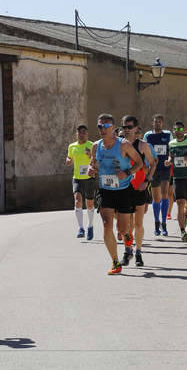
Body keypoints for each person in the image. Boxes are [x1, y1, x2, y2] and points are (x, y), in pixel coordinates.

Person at [88, 113, 144, 275]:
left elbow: (139, 163)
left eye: (106, 126)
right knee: (107, 226)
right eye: (100, 126)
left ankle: (127, 237)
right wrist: (92, 170)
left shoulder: (124, 145)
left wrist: (127, 172)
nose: (102, 129)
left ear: (113, 128)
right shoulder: (96, 146)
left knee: (122, 228)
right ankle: (115, 262)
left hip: (124, 191)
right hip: (106, 190)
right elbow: (93, 164)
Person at [122, 115, 155, 266]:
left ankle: (139, 252)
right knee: (126, 224)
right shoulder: (119, 144)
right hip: (123, 189)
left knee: (138, 223)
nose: (126, 130)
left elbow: (153, 164)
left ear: (136, 129)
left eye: (129, 127)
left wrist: (147, 181)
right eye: (124, 127)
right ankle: (128, 250)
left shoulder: (142, 145)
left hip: (138, 188)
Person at [143, 114, 173, 237]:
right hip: (153, 169)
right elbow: (144, 151)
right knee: (156, 198)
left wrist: (170, 160)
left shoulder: (167, 134)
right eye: (155, 122)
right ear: (152, 123)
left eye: (159, 122)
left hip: (165, 168)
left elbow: (171, 150)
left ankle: (164, 224)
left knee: (165, 194)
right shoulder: (148, 135)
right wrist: (146, 167)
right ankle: (157, 224)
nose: (157, 124)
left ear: (163, 123)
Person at [66, 125, 96, 240]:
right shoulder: (72, 146)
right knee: (77, 200)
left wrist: (90, 155)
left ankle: (90, 226)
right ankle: (81, 228)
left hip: (89, 178)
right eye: (79, 132)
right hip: (77, 178)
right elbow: (68, 159)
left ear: (87, 134)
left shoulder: (92, 145)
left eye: (84, 132)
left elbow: (96, 159)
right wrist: (68, 161)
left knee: (89, 203)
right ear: (76, 134)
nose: (81, 134)